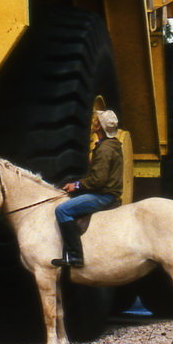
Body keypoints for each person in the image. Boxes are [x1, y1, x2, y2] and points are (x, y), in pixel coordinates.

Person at [51, 108, 123, 268]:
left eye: (95, 122)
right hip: (106, 193)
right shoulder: (111, 145)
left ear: (98, 127)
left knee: (62, 210)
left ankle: (75, 257)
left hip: (103, 196)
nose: (92, 124)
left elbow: (98, 180)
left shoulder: (104, 149)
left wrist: (76, 185)